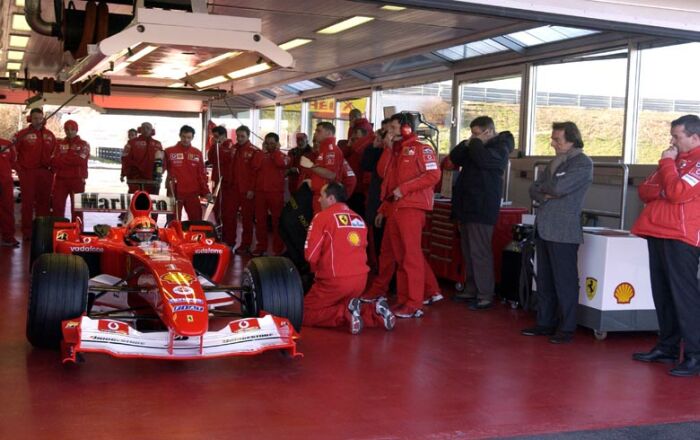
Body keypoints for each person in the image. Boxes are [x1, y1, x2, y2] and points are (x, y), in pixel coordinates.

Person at [630, 114, 700, 377]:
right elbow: (645, 189)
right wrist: (668, 179)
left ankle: (695, 354)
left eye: (677, 136)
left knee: (685, 297)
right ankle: (668, 346)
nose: (672, 141)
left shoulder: (692, 162)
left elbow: (678, 192)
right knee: (662, 294)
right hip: (656, 232)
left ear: (694, 137)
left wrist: (668, 166)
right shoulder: (673, 161)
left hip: (682, 236)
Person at [521, 121, 593, 344]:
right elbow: (534, 189)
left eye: (557, 140)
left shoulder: (582, 163)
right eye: (552, 139)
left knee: (565, 281)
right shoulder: (554, 162)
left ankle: (566, 326)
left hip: (563, 230)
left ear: (572, 140)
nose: (553, 143)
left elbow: (559, 188)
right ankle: (545, 322)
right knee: (545, 280)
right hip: (544, 227)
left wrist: (546, 189)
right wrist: (546, 193)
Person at [303, 182, 395, 334]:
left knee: (303, 313)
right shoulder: (358, 218)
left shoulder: (321, 217)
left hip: (334, 282)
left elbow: (310, 256)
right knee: (348, 308)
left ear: (331, 199)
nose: (319, 200)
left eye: (322, 196)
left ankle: (344, 313)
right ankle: (373, 311)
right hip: (360, 282)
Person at [375, 113, 441, 318]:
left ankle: (415, 303)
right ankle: (405, 300)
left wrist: (405, 189)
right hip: (395, 208)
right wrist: (388, 147)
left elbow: (433, 175)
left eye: (394, 128)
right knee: (400, 256)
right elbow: (383, 176)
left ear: (406, 128)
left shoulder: (423, 149)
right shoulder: (396, 151)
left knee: (410, 257)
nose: (390, 131)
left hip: (411, 207)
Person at [450, 116, 514, 310]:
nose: (474, 137)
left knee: (480, 252)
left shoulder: (500, 147)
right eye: (472, 134)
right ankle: (471, 288)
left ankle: (485, 294)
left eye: (477, 134)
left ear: (489, 131)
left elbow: (485, 161)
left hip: (482, 207)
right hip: (466, 206)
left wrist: (475, 144)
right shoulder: (475, 146)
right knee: (468, 252)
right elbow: (455, 157)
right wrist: (467, 143)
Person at [11, 107, 56, 240]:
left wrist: (53, 169)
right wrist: (19, 169)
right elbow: (13, 154)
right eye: (35, 118)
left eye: (40, 118)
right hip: (28, 173)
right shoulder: (21, 134)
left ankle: (42, 232)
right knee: (28, 203)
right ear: (31, 119)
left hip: (45, 173)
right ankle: (27, 232)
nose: (38, 121)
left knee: (44, 203)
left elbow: (56, 154)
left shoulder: (50, 135)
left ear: (43, 119)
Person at [164, 125, 212, 222]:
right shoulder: (168, 151)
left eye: (189, 137)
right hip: (174, 193)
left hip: (193, 193)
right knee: (173, 222)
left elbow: (201, 175)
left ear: (192, 138)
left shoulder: (197, 153)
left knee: (196, 221)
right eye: (184, 137)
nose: (186, 140)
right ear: (180, 136)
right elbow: (159, 170)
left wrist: (206, 191)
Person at [253, 132, 290, 256]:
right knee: (260, 221)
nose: (269, 146)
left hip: (275, 193)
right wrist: (262, 152)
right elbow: (255, 166)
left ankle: (277, 249)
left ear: (277, 143)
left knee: (277, 222)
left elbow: (281, 164)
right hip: (260, 193)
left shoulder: (283, 156)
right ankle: (261, 247)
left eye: (272, 143)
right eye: (267, 143)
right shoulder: (260, 155)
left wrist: (276, 151)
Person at [300, 122, 344, 213]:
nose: (315, 133)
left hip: (327, 196)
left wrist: (311, 166)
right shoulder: (324, 149)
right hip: (320, 194)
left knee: (323, 224)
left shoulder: (331, 150)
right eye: (316, 131)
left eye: (319, 131)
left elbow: (331, 174)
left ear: (328, 133)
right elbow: (321, 172)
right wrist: (312, 182)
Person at [231, 125, 262, 255]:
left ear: (248, 136)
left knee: (247, 220)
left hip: (247, 191)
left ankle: (245, 245)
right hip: (233, 189)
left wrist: (252, 189)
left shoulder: (254, 151)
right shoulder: (233, 149)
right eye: (238, 136)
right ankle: (229, 242)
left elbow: (256, 173)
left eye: (242, 136)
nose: (239, 138)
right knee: (230, 217)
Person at [51, 120, 90, 220]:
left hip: (77, 180)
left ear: (76, 130)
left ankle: (77, 232)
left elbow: (80, 161)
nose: (69, 132)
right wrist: (71, 159)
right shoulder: (58, 143)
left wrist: (62, 159)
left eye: (72, 129)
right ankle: (59, 231)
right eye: (67, 129)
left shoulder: (84, 144)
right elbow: (53, 160)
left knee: (77, 209)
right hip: (60, 180)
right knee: (57, 207)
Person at [208, 126, 237, 246]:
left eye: (216, 136)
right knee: (217, 209)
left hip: (227, 183)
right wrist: (214, 146)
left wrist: (218, 146)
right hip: (217, 182)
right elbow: (211, 159)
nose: (214, 139)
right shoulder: (215, 146)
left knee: (227, 212)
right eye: (213, 136)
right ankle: (220, 232)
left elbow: (225, 158)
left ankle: (229, 239)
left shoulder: (230, 146)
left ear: (223, 135)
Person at [121, 122, 163, 195]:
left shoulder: (158, 144)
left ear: (152, 130)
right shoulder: (131, 143)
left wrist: (159, 175)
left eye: (148, 128)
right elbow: (125, 159)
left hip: (152, 180)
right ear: (140, 130)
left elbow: (162, 162)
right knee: (135, 200)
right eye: (144, 128)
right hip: (135, 179)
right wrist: (123, 173)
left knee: (151, 201)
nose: (146, 130)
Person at [0, 138, 18, 247]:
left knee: (7, 209)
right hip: (63, 181)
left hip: (5, 182)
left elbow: (12, 160)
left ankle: (8, 237)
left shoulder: (7, 144)